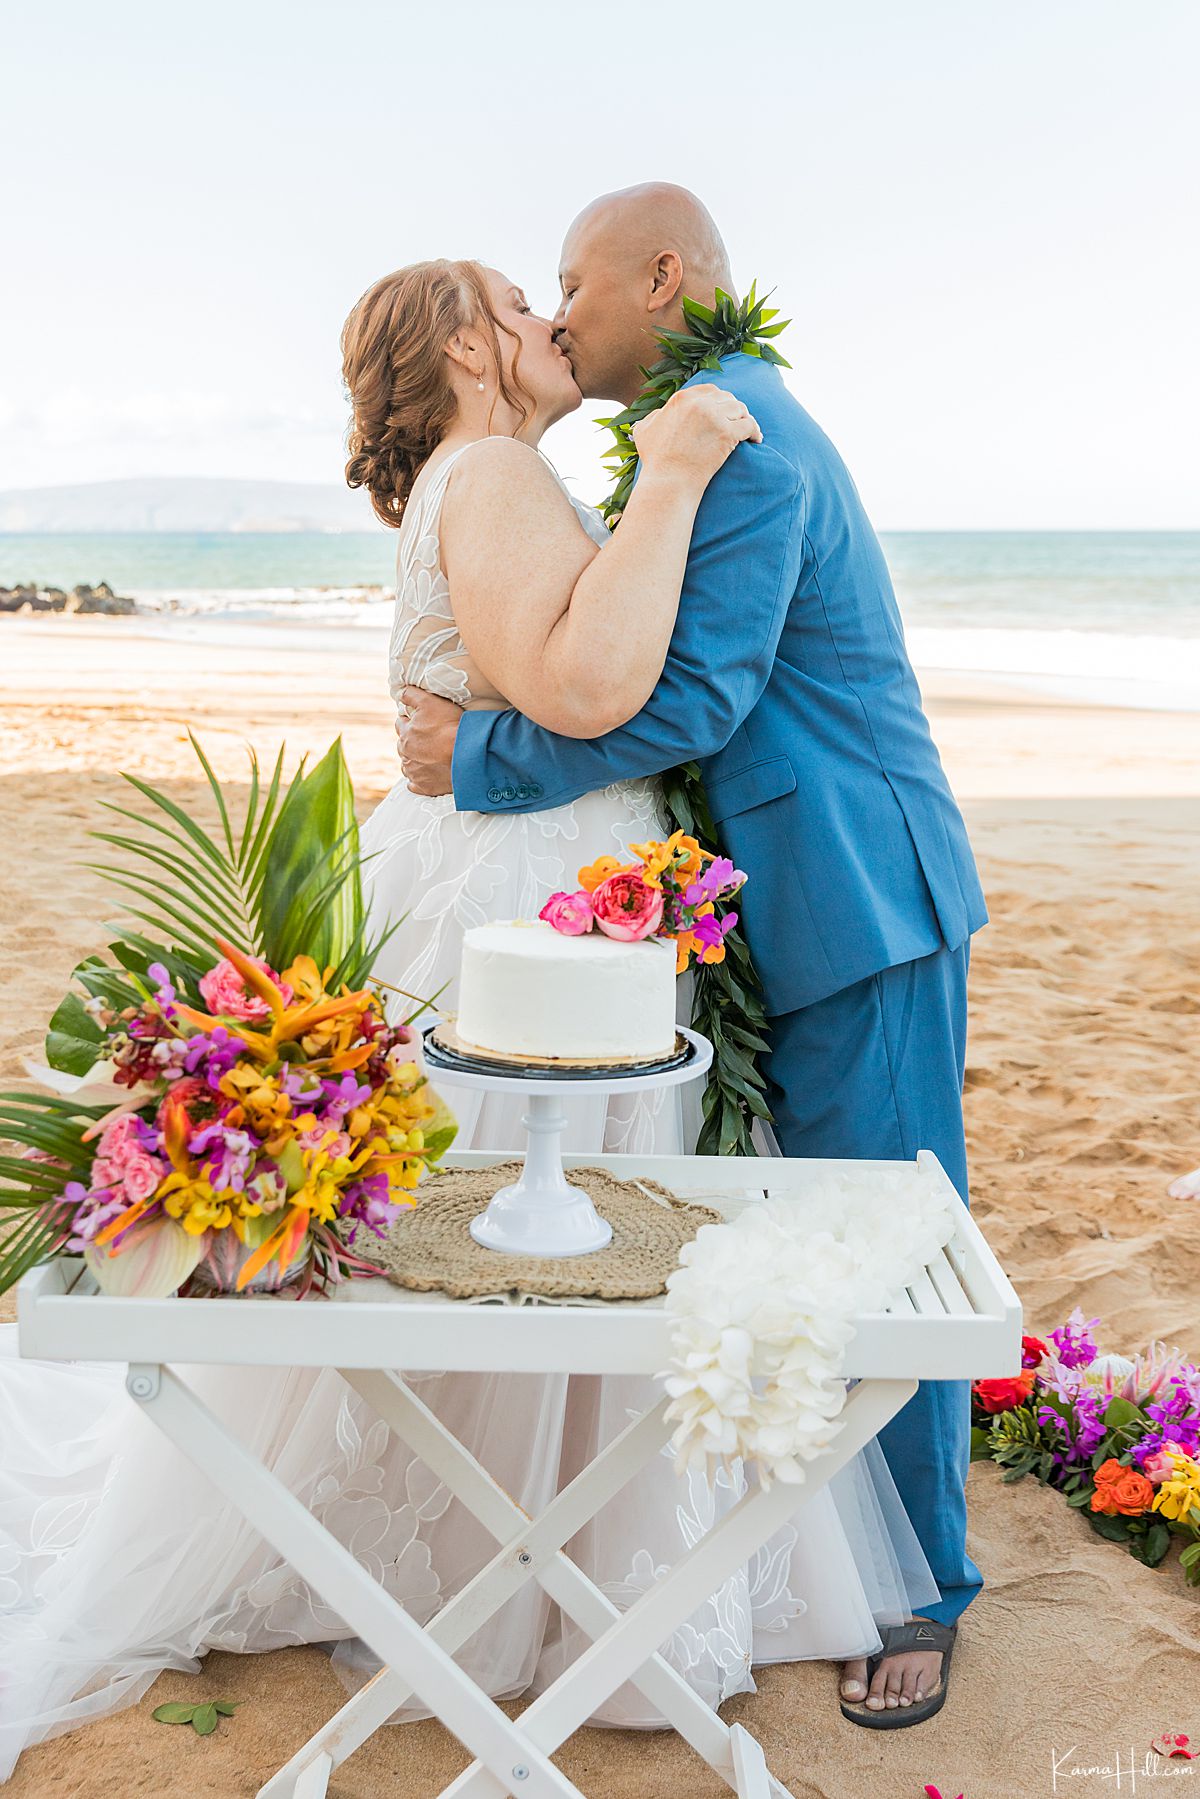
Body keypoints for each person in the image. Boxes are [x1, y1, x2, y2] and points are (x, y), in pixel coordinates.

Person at [0, 250, 939, 1783]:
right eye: (518, 298)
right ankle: (521, 1562)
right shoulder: (494, 466)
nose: (549, 321)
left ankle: (516, 1532)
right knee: (534, 1219)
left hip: (532, 879)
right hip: (524, 899)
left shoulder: (484, 470)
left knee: (511, 1217)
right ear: (458, 342)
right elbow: (584, 682)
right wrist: (678, 473)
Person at [395, 183, 990, 1728]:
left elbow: (699, 701)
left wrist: (479, 759)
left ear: (666, 276)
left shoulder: (731, 423)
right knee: (793, 1222)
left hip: (860, 892)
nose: (560, 312)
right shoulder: (689, 425)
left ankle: (926, 1588)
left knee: (887, 1225)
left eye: (576, 283)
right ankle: (827, 1543)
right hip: (775, 891)